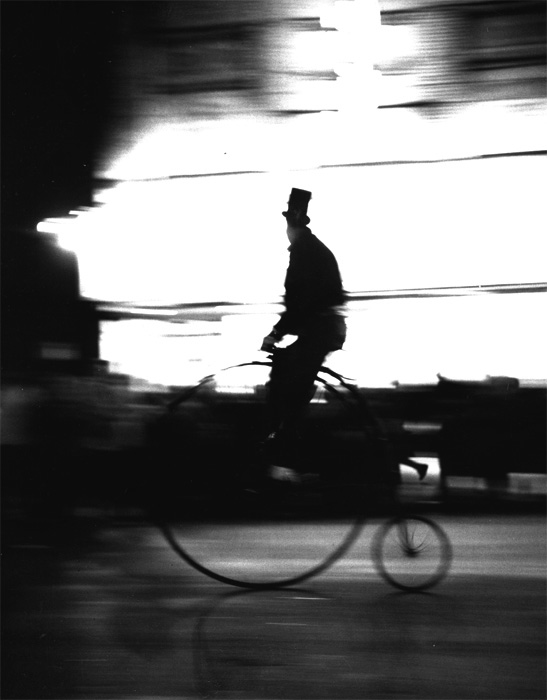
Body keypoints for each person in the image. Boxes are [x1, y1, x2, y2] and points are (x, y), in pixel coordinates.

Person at [260, 188, 347, 477]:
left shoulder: (304, 252)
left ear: (292, 224)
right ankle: (284, 439)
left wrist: (275, 333)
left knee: (286, 377)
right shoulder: (311, 249)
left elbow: (298, 302)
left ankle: (286, 449)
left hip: (319, 329)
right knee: (290, 373)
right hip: (321, 327)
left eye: (288, 223)